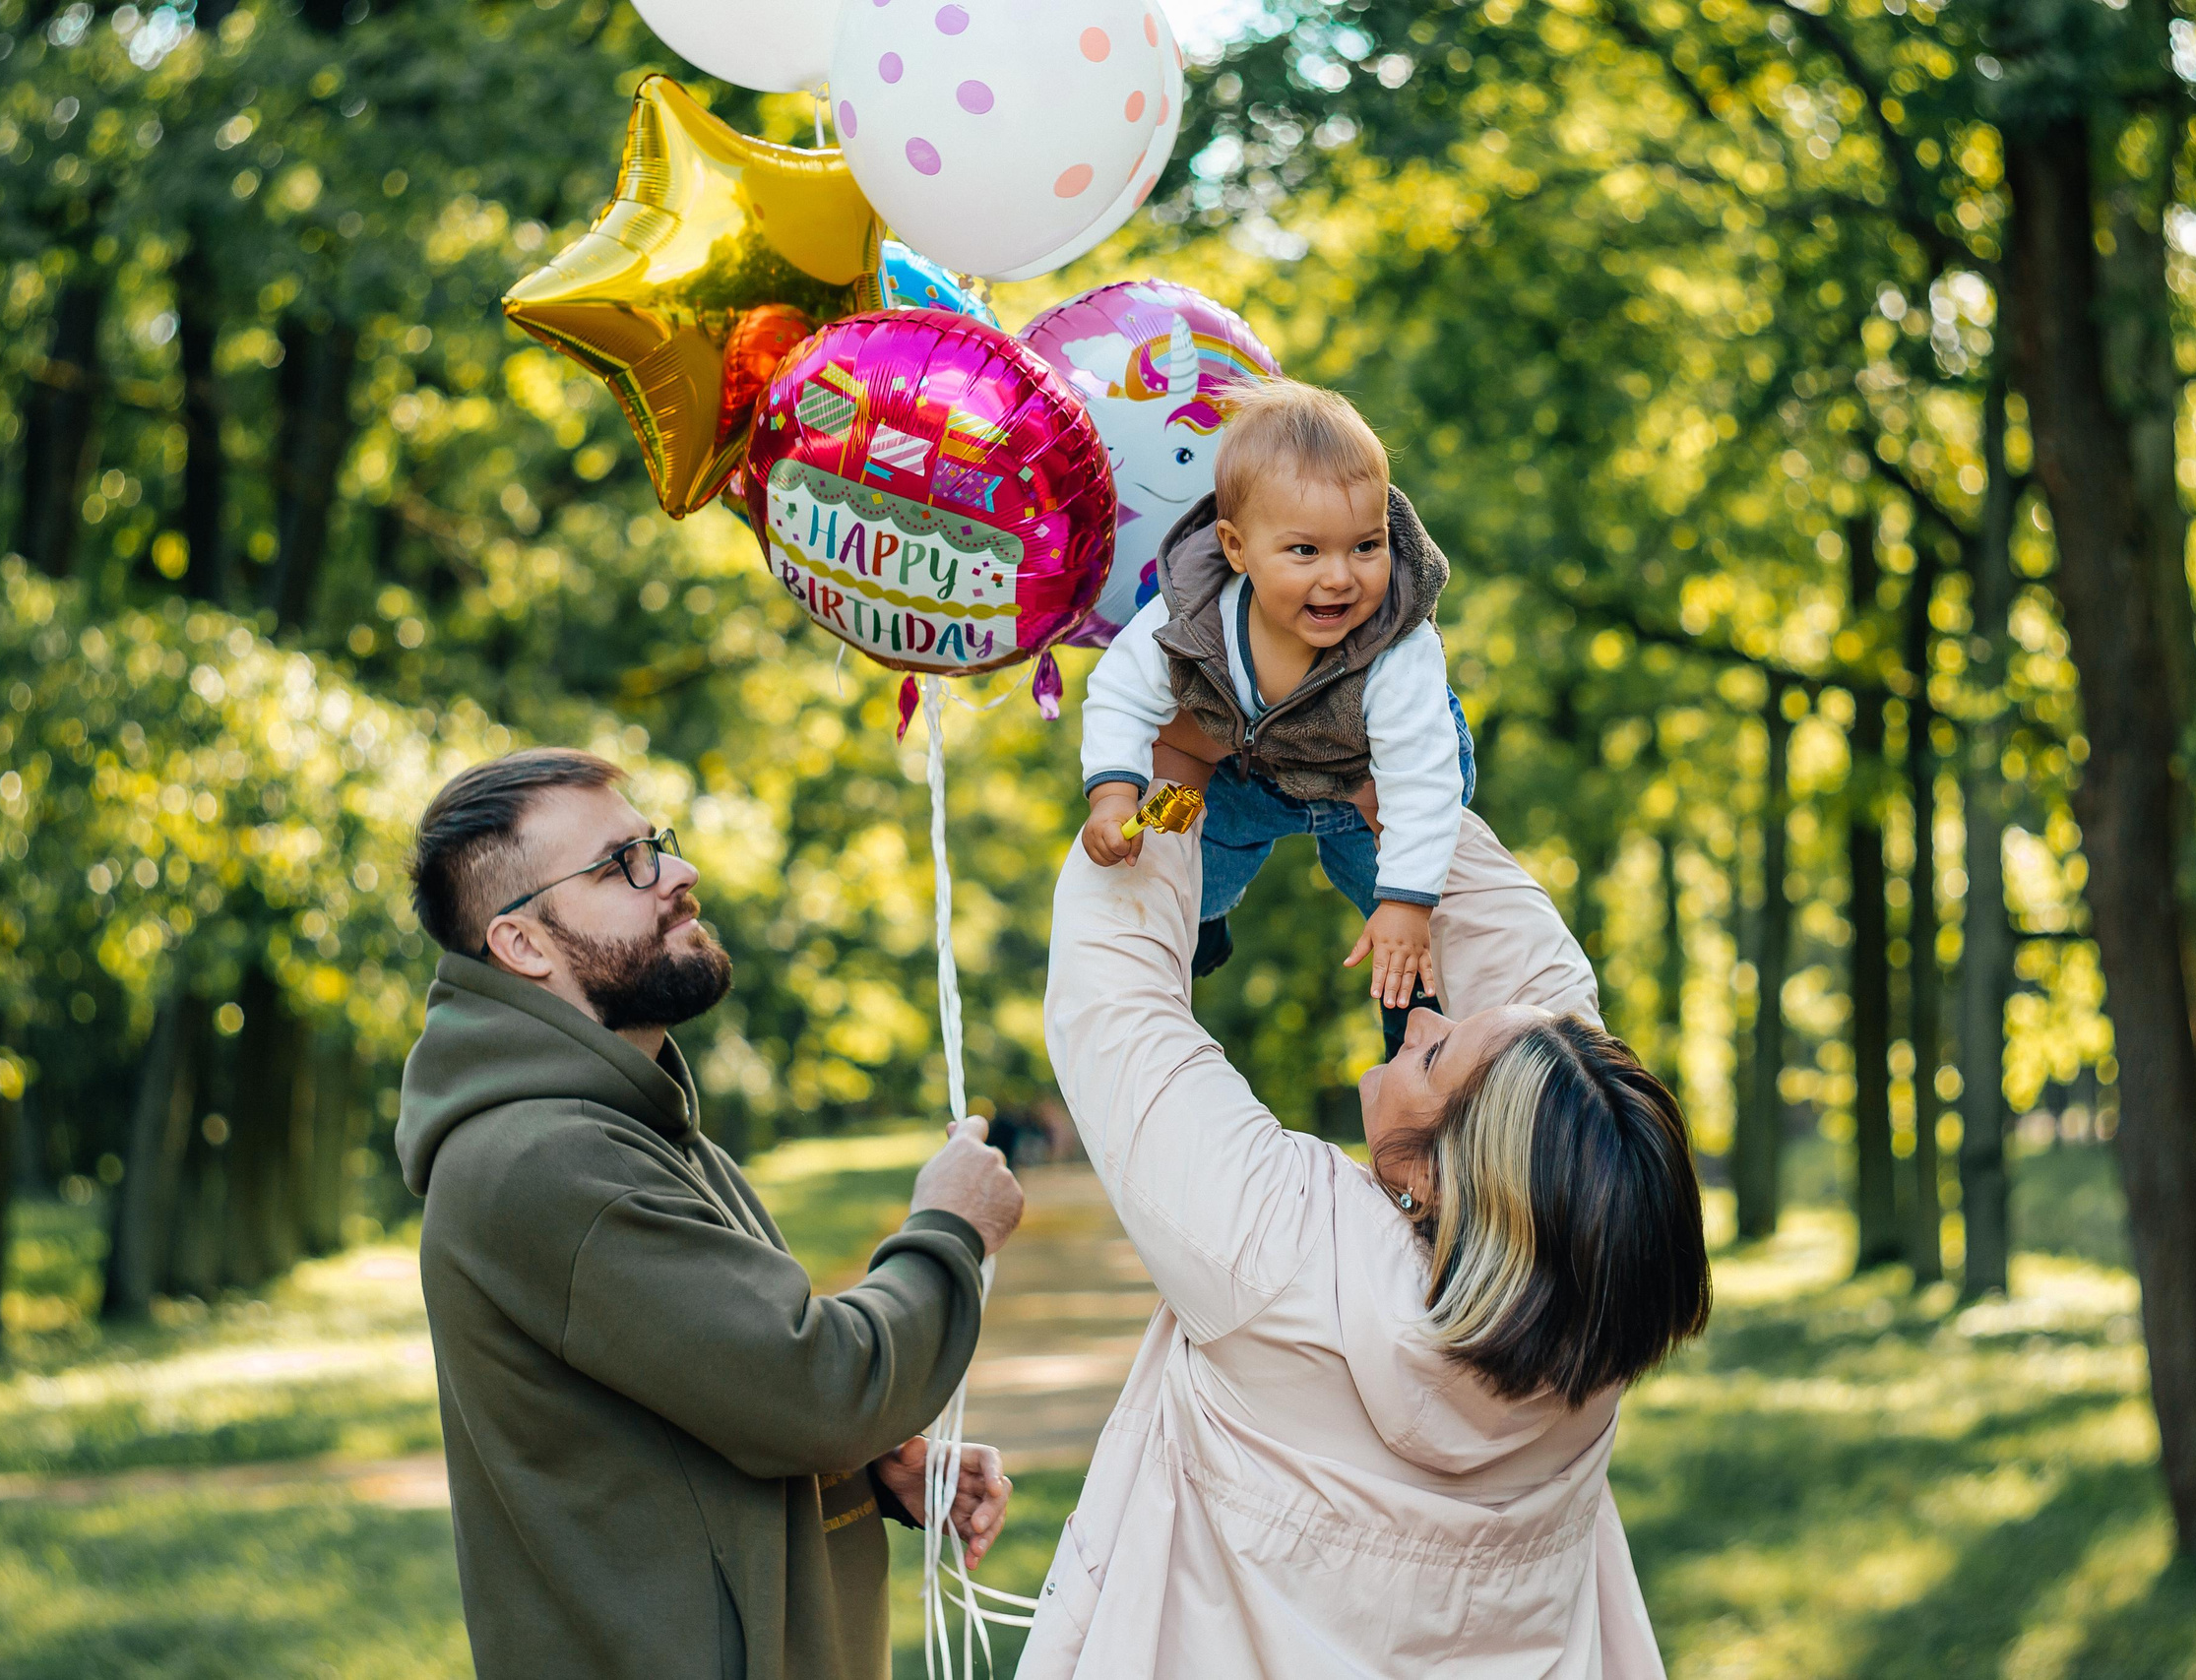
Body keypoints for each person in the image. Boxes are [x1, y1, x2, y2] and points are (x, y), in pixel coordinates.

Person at [1021, 807, 1712, 1679]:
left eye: (1434, 1056)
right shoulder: (1598, 1292)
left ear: (1433, 1182)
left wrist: (1167, 781)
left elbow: (1117, 1007)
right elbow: (1540, 1002)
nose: (1418, 1023)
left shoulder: (1285, 1255)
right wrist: (1398, 779)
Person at [392, 747, 1026, 1680]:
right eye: (621, 864)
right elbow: (818, 1386)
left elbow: (729, 1404)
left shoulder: (638, 1133)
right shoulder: (550, 1161)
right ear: (522, 944)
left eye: (659, 845)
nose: (679, 874)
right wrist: (949, 1231)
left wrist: (860, 1472)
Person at [1077, 378, 1474, 1053]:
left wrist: (1406, 902)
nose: (1340, 577)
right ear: (1237, 549)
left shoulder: (1397, 646)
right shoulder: (1192, 615)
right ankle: (1203, 920)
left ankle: (1414, 1012)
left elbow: (1420, 776)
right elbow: (1121, 688)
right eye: (1305, 551)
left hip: (1368, 791)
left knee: (1410, 910)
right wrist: (1112, 796)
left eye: (1365, 545)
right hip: (1246, 775)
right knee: (1192, 847)